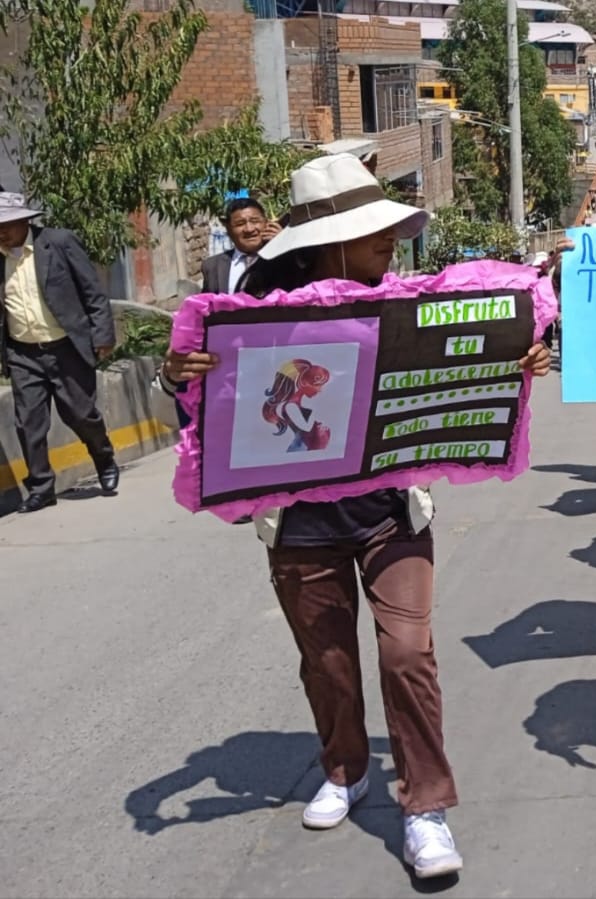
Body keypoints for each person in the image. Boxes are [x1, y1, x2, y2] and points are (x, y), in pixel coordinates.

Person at [153, 154, 554, 878]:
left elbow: (466, 356)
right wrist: (176, 372)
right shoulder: (253, 316)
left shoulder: (405, 305)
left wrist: (514, 359)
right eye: (376, 236)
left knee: (407, 652)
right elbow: (205, 397)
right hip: (300, 525)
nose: (390, 246)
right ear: (330, 243)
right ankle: (344, 767)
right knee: (327, 660)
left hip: (389, 517)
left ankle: (425, 805)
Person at [0, 192, 119, 512]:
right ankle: (41, 487)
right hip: (23, 352)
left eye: (7, 225)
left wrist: (102, 335)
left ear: (24, 220)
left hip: (66, 345)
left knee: (81, 414)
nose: (2, 232)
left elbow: (92, 291)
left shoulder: (59, 242)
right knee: (28, 422)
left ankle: (103, 456)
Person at [201, 197, 282, 294]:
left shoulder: (282, 258)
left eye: (255, 221)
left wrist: (282, 244)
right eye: (240, 224)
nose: (249, 229)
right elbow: (206, 304)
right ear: (228, 229)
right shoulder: (212, 266)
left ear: (266, 223)